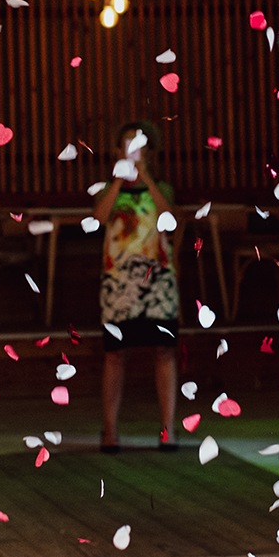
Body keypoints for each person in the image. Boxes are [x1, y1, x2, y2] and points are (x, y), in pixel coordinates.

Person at [93, 121, 178, 453]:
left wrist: (146, 179)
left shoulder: (162, 188)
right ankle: (110, 430)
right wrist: (118, 181)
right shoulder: (107, 189)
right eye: (127, 145)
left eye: (139, 146)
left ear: (148, 153)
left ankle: (168, 429)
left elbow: (168, 217)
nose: (133, 152)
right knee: (115, 354)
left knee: (164, 351)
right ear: (118, 151)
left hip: (157, 279)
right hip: (118, 281)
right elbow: (99, 218)